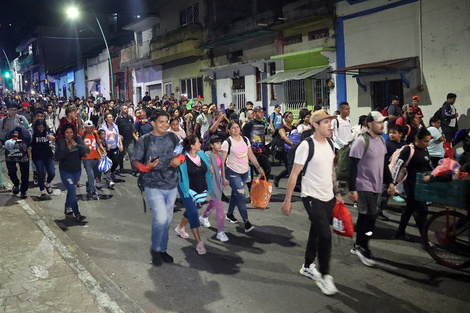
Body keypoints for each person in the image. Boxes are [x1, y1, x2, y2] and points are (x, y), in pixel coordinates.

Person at [280, 109, 343, 296]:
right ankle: (325, 276)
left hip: (328, 197)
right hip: (311, 196)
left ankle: (307, 265)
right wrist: (287, 199)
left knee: (316, 231)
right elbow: (294, 174)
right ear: (315, 125)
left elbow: (331, 171)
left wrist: (337, 192)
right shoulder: (306, 146)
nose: (330, 125)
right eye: (326, 122)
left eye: (330, 122)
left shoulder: (331, 144)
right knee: (325, 235)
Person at [132, 110, 184, 265]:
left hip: (171, 183)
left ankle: (162, 249)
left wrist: (179, 160)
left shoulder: (173, 137)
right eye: (161, 121)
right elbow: (134, 161)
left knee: (167, 220)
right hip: (152, 183)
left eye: (166, 121)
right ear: (152, 123)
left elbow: (181, 153)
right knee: (161, 218)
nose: (165, 124)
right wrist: (145, 167)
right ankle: (155, 249)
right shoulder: (144, 140)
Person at [348, 111, 395, 267]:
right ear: (369, 124)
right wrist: (352, 189)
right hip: (363, 185)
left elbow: (384, 163)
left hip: (376, 185)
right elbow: (352, 167)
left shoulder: (381, 140)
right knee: (371, 216)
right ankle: (363, 247)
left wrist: (391, 182)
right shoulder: (361, 142)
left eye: (383, 122)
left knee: (364, 216)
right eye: (378, 122)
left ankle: (357, 245)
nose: (382, 125)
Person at [391, 127, 433, 241]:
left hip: (421, 185)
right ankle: (425, 239)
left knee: (410, 209)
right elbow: (397, 167)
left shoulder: (425, 150)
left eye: (429, 141)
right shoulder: (408, 150)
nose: (427, 144)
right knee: (422, 210)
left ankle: (400, 232)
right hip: (411, 184)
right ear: (417, 139)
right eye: (425, 141)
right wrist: (392, 184)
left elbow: (428, 165)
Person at [222, 121, 264, 232]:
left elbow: (250, 154)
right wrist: (223, 177)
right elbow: (222, 161)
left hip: (245, 171)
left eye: (237, 127)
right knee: (241, 195)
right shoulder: (227, 143)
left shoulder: (245, 140)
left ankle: (230, 214)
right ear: (229, 130)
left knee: (236, 193)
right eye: (233, 127)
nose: (235, 129)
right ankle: (246, 222)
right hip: (232, 172)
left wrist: (258, 168)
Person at [174, 135, 212, 254]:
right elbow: (173, 164)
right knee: (194, 213)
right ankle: (199, 243)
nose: (200, 144)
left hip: (199, 188)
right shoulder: (182, 158)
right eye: (198, 142)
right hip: (186, 188)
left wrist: (210, 170)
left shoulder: (202, 155)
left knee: (191, 210)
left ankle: (180, 228)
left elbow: (207, 168)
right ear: (192, 146)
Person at [55, 124, 90, 221]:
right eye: (67, 133)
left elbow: (87, 150)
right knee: (72, 189)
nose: (69, 135)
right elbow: (57, 157)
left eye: (71, 132)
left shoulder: (77, 139)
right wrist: (67, 149)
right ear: (64, 133)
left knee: (71, 191)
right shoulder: (61, 142)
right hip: (65, 171)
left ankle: (67, 207)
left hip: (77, 171)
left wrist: (76, 145)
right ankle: (77, 213)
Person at [199, 135, 229, 242]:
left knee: (213, 202)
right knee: (219, 206)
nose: (219, 145)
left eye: (220, 143)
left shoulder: (220, 154)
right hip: (212, 182)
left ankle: (203, 216)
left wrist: (224, 178)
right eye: (217, 143)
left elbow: (222, 167)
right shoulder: (208, 155)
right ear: (211, 145)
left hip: (219, 181)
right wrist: (209, 169)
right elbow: (207, 166)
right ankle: (220, 232)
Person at [376, 124, 405, 221]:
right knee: (384, 192)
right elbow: (384, 158)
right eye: (390, 133)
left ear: (401, 134)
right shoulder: (387, 144)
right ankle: (378, 211)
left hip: (399, 173)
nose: (391, 135)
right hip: (388, 171)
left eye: (394, 133)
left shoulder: (404, 144)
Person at [242, 105, 271, 183]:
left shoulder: (262, 123)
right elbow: (244, 138)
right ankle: (251, 189)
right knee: (250, 173)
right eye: (259, 112)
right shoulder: (249, 124)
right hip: (252, 151)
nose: (262, 114)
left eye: (262, 112)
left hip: (262, 150)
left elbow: (262, 136)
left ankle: (262, 185)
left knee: (267, 168)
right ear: (254, 113)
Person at [29, 119, 55, 199]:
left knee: (52, 173)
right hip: (37, 157)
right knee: (40, 174)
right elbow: (29, 148)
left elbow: (56, 139)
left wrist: (53, 138)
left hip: (48, 156)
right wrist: (30, 160)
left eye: (42, 127)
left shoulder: (47, 132)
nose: (41, 129)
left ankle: (47, 184)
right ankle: (42, 191)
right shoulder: (33, 134)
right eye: (39, 127)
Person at [5, 126, 31, 199]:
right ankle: (16, 184)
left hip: (23, 157)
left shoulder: (25, 137)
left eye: (17, 132)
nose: (16, 134)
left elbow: (29, 143)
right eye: (15, 132)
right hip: (10, 157)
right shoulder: (9, 137)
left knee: (25, 174)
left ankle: (23, 191)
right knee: (11, 172)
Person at [98, 112, 123, 183]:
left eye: (112, 117)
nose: (111, 118)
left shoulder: (115, 126)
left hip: (115, 146)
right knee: (107, 163)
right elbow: (100, 137)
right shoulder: (102, 127)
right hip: (107, 148)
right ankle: (109, 178)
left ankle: (111, 172)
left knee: (116, 161)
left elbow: (118, 136)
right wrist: (104, 145)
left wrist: (120, 145)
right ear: (106, 119)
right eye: (109, 117)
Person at [274, 111, 296, 188]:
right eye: (290, 117)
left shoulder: (294, 128)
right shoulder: (282, 127)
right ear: (285, 118)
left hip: (292, 150)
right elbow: (283, 137)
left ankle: (278, 178)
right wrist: (292, 143)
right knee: (289, 167)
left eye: (292, 117)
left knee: (291, 168)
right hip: (284, 150)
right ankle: (292, 185)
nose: (292, 118)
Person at [81, 120, 100, 200]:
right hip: (86, 158)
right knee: (90, 175)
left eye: (91, 128)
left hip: (95, 158)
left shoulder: (95, 134)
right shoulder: (82, 134)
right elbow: (78, 126)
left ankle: (89, 185)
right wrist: (78, 116)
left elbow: (99, 143)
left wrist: (103, 151)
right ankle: (93, 192)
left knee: (95, 175)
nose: (89, 130)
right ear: (85, 128)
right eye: (87, 128)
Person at [115, 105, 135, 173]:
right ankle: (121, 168)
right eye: (125, 108)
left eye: (127, 108)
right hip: (122, 139)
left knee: (131, 153)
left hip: (130, 138)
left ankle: (133, 169)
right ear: (121, 110)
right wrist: (119, 135)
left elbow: (132, 127)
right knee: (121, 154)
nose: (126, 110)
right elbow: (116, 129)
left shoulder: (130, 117)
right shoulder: (118, 118)